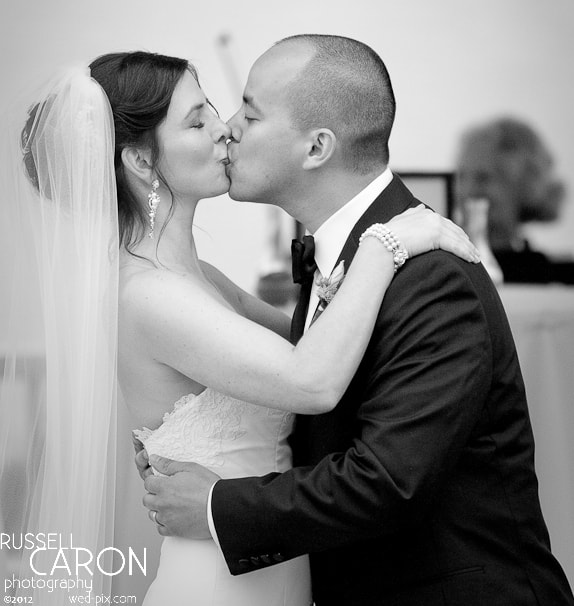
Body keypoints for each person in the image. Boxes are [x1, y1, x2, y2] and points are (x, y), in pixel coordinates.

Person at [0, 52, 477, 606]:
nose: (224, 130)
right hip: (218, 581)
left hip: (268, 560)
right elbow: (312, 381)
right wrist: (384, 244)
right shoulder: (149, 296)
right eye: (196, 121)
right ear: (139, 160)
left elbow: (310, 345)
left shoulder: (200, 279)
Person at [140, 35, 574, 606]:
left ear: (317, 147)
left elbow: (391, 479)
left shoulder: (431, 276)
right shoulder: (347, 257)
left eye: (250, 111)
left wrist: (219, 506)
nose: (230, 128)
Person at [455, 117, 574, 284]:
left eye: (483, 178)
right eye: (462, 176)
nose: (466, 191)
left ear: (523, 186)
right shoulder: (447, 263)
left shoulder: (541, 272)